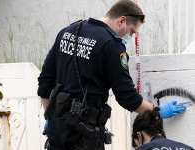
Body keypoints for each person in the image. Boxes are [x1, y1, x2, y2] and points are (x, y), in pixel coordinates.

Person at [37, 0, 187, 150]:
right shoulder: (112, 46)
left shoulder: (68, 31)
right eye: (132, 31)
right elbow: (128, 98)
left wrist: (50, 116)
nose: (131, 36)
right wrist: (157, 111)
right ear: (122, 20)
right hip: (84, 136)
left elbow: (45, 81)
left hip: (57, 132)